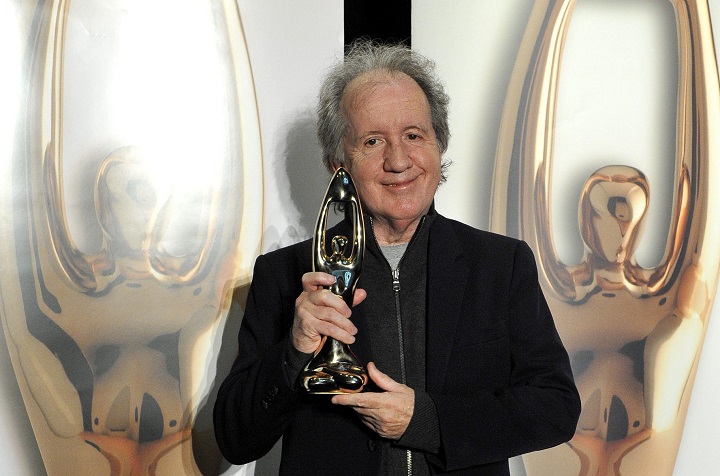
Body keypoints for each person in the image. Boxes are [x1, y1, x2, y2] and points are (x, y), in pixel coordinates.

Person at [213, 39, 581, 475]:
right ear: (337, 165)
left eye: (413, 135)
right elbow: (235, 439)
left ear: (439, 145)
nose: (399, 160)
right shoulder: (285, 275)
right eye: (372, 141)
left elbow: (555, 406)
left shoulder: (500, 265)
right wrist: (293, 352)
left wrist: (428, 422)